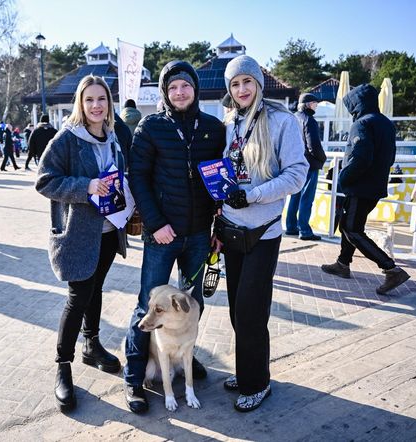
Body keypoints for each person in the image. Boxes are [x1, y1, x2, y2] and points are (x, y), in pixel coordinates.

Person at [123, 60, 225, 414]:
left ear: (194, 89)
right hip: (162, 235)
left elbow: (220, 183)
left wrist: (217, 228)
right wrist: (155, 223)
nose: (179, 92)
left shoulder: (213, 128)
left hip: (199, 234)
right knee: (146, 305)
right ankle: (134, 379)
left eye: (185, 86)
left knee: (192, 302)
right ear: (165, 93)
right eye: (172, 87)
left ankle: (185, 357)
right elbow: (138, 177)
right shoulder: (151, 127)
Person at [218, 55, 308, 412]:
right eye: (235, 84)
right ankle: (246, 370)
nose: (241, 89)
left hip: (263, 231)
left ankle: (258, 383)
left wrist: (253, 195)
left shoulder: (282, 121)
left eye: (247, 82)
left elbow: (297, 173)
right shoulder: (229, 123)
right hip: (230, 229)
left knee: (251, 310)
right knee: (236, 310)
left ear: (258, 84)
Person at [36, 75, 129, 412]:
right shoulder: (67, 139)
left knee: (95, 288)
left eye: (101, 99)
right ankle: (63, 364)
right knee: (78, 297)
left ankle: (92, 345)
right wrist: (86, 186)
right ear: (80, 103)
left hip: (108, 230)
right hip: (78, 235)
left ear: (109, 102)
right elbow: (45, 181)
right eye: (89, 99)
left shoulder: (113, 135)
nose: (96, 105)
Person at [321, 84, 410, 294]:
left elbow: (360, 158)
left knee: (351, 228)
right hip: (375, 185)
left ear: (355, 105)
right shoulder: (386, 123)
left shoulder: (362, 124)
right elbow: (390, 157)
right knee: (349, 224)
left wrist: (343, 177)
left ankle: (391, 269)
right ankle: (343, 263)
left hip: (360, 186)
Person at [285, 93, 326, 241]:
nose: (316, 106)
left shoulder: (294, 118)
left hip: (294, 163)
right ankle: (305, 230)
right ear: (308, 104)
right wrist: (323, 159)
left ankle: (290, 226)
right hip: (309, 164)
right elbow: (313, 146)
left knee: (295, 196)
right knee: (307, 198)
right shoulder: (309, 120)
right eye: (315, 103)